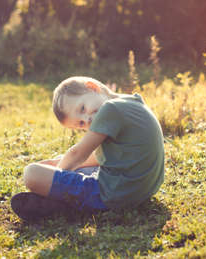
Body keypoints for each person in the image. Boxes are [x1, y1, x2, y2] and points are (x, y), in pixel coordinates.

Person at [11, 76, 164, 221]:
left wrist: (55, 175)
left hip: (114, 195)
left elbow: (78, 155)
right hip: (141, 190)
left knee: (31, 173)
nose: (87, 119)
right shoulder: (131, 101)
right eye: (81, 124)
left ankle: (58, 203)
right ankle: (63, 199)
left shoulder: (110, 109)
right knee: (60, 164)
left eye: (82, 108)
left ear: (93, 87)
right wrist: (55, 163)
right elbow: (98, 158)